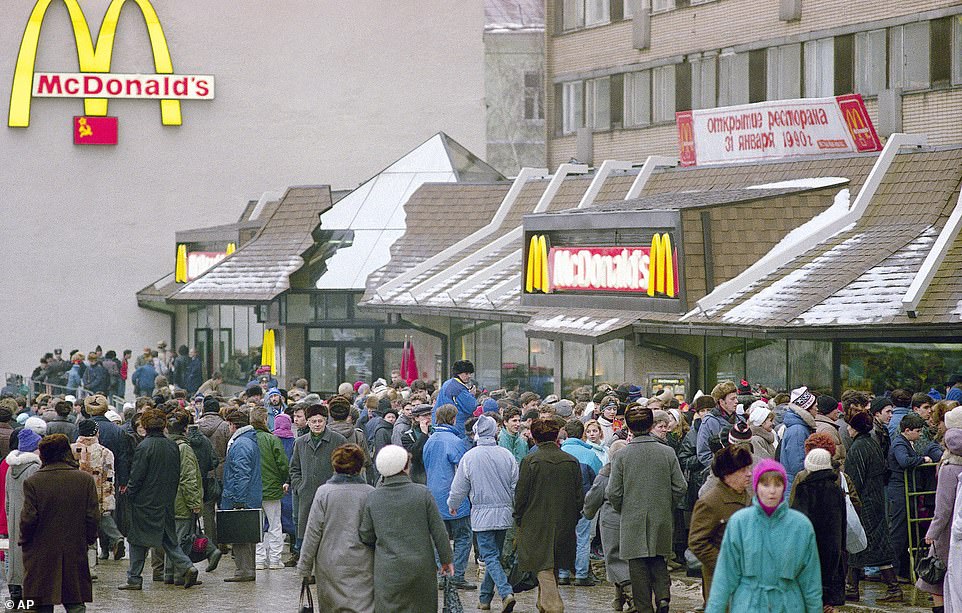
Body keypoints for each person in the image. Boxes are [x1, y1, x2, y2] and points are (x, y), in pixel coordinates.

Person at [706, 459, 822, 613]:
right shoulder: (739, 523)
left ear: (784, 487)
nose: (772, 491)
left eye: (777, 485)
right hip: (748, 605)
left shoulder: (801, 526)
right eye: (765, 485)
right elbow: (725, 576)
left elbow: (811, 581)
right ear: (756, 487)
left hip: (788, 605)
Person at [608, 406, 687, 613]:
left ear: (629, 428)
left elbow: (613, 492)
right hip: (661, 515)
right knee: (659, 558)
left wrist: (623, 507)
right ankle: (663, 597)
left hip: (632, 516)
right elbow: (681, 486)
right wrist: (665, 502)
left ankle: (644, 607)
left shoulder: (622, 456)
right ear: (651, 425)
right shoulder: (667, 452)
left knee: (637, 566)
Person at [359, 445, 454, 613]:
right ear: (404, 467)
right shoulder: (422, 493)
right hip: (421, 568)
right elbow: (439, 530)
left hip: (388, 570)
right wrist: (446, 559)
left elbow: (366, 535)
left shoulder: (373, 497)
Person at [118, 408, 200, 590]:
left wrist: (129, 493)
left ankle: (134, 579)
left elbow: (137, 476)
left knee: (137, 541)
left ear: (145, 425)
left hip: (144, 503)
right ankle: (187, 566)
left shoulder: (144, 447)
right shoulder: (172, 445)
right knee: (169, 540)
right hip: (166, 501)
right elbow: (176, 474)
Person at [447, 414, 519, 612]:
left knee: (489, 557)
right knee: (493, 556)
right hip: (504, 514)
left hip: (481, 514)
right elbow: (515, 486)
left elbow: (459, 487)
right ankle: (484, 599)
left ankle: (506, 592)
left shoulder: (469, 457)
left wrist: (452, 504)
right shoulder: (507, 455)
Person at [20, 434, 99, 613]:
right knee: (75, 599)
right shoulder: (84, 480)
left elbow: (29, 518)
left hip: (40, 549)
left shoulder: (33, 482)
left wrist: (25, 541)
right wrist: (89, 539)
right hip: (74, 546)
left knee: (39, 601)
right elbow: (92, 516)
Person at [514, 417, 583, 613]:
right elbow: (579, 496)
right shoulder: (571, 461)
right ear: (556, 437)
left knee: (542, 565)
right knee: (552, 564)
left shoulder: (530, 461)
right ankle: (542, 604)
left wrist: (518, 517)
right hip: (564, 521)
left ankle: (554, 605)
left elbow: (521, 495)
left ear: (534, 438)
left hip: (535, 521)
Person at [297, 444, 375, 613]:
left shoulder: (324, 492)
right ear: (360, 466)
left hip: (330, 563)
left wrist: (305, 567)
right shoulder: (371, 493)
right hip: (364, 562)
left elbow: (313, 532)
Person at [843, 410, 902, 603]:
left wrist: (851, 501)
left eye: (850, 425)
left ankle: (890, 588)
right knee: (870, 542)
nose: (848, 429)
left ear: (855, 428)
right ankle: (853, 587)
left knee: (861, 541)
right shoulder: (872, 443)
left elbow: (854, 480)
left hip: (865, 502)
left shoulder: (858, 447)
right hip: (876, 499)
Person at [688, 445, 752, 606]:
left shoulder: (748, 497)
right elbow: (697, 542)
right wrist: (726, 563)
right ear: (727, 474)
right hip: (722, 583)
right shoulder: (710, 502)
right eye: (743, 470)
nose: (749, 474)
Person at [422, 403, 474, 589]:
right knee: (463, 536)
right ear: (453, 419)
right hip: (454, 495)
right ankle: (457, 575)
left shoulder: (430, 440)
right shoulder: (456, 441)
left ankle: (441, 574)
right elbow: (464, 470)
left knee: (438, 538)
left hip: (433, 495)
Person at [288, 403, 347, 564]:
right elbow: (294, 468)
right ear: (307, 422)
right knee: (308, 532)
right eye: (313, 421)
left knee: (329, 532)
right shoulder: (300, 442)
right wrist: (299, 485)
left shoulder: (338, 440)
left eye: (320, 421)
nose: (317, 425)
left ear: (326, 421)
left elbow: (344, 466)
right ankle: (310, 568)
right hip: (306, 495)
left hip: (330, 495)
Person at [791, 448, 846, 611]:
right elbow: (842, 524)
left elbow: (797, 525)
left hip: (809, 554)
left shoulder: (804, 489)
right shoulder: (835, 490)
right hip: (833, 553)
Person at [917, 410, 962, 611]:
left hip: (949, 530)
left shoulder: (949, 467)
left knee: (935, 579)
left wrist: (932, 533)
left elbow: (943, 506)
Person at [888, 413, 941, 580]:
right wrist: (922, 459)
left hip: (904, 490)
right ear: (907, 430)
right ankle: (893, 571)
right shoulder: (899, 444)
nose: (919, 435)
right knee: (899, 531)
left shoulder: (904, 442)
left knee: (905, 532)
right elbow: (904, 461)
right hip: (900, 491)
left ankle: (901, 570)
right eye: (917, 431)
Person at [584, 440, 633, 612]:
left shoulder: (605, 475)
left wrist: (587, 513)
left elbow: (592, 499)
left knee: (614, 560)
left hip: (611, 522)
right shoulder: (634, 472)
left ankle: (632, 597)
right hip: (632, 520)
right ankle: (618, 599)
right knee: (625, 559)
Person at [71, 419, 123, 579]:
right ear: (95, 432)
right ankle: (93, 568)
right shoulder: (105, 452)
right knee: (95, 527)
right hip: (98, 495)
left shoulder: (71, 450)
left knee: (81, 534)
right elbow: (109, 477)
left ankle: (85, 569)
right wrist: (108, 496)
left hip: (75, 497)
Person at [220, 409, 262, 582]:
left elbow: (241, 474)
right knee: (247, 534)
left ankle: (243, 571)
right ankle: (247, 569)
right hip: (251, 494)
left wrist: (238, 500)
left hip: (242, 495)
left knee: (240, 535)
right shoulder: (249, 440)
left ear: (233, 424)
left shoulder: (240, 444)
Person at [163, 410, 205, 585]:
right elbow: (188, 478)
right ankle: (181, 575)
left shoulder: (165, 445)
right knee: (182, 540)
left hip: (167, 501)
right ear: (185, 430)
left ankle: (169, 574)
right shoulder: (184, 448)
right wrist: (194, 503)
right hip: (181, 502)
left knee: (171, 540)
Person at [559, 419, 602, 586]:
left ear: (566, 434)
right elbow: (599, 479)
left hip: (562, 503)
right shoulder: (590, 455)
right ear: (582, 434)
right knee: (583, 538)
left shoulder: (560, 451)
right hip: (584, 503)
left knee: (564, 538)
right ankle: (581, 574)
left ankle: (563, 573)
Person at [6, 428, 43, 606]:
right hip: (29, 521)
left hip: (14, 520)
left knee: (15, 560)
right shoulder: (34, 469)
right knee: (29, 560)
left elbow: (7, 500)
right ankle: (30, 602)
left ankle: (14, 600)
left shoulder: (10, 469)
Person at [250, 406, 289, 570]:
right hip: (272, 488)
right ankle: (274, 559)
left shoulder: (247, 439)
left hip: (252, 490)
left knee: (256, 526)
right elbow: (283, 464)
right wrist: (283, 480)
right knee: (274, 525)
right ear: (265, 420)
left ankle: (258, 559)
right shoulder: (272, 439)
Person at [781, 386, 818, 491]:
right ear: (807, 408)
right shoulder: (798, 430)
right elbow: (798, 466)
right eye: (815, 406)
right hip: (796, 487)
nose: (817, 409)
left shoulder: (800, 427)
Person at [696, 381, 738, 470]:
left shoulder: (740, 419)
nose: (736, 401)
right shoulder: (709, 422)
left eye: (736, 398)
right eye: (732, 399)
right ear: (721, 401)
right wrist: (723, 468)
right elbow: (703, 454)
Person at [433, 360, 477, 435]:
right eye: (466, 373)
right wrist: (472, 395)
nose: (469, 376)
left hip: (442, 424)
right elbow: (471, 406)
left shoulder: (447, 383)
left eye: (470, 373)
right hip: (457, 427)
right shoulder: (458, 388)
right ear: (458, 373)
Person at [400, 403, 432, 484]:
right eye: (425, 415)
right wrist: (424, 434)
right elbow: (413, 456)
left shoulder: (436, 432)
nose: (429, 417)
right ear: (417, 418)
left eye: (430, 414)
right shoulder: (407, 436)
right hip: (419, 476)